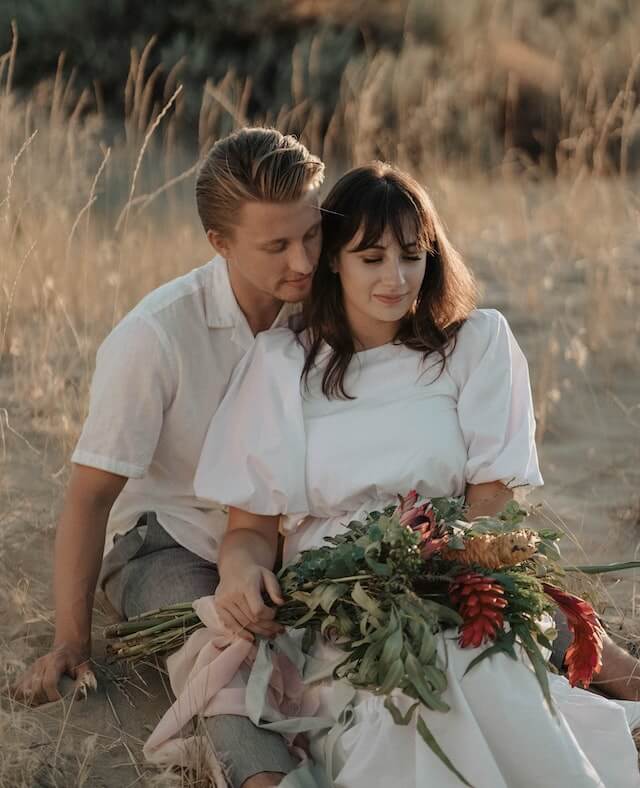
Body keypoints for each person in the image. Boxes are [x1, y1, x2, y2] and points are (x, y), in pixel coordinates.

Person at [182, 162, 640, 786]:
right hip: (343, 600)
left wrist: (441, 563)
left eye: (411, 254)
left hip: (452, 572)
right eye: (370, 258)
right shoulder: (284, 365)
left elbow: (492, 502)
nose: (395, 278)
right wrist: (240, 576)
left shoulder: (474, 345)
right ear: (333, 261)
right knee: (400, 696)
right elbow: (252, 529)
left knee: (473, 665)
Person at [12, 127, 326, 788]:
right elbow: (90, 497)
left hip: (285, 540)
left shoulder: (323, 310)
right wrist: (71, 642)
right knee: (224, 657)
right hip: (166, 542)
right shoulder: (154, 336)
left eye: (312, 234)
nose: (302, 261)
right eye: (276, 245)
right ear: (220, 243)